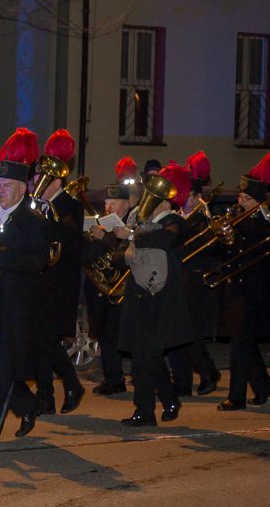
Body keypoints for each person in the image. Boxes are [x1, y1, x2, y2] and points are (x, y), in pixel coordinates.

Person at [0, 129, 52, 447]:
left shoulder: (35, 222)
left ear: (22, 188)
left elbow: (36, 261)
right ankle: (29, 404)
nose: (0, 190)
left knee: (3, 368)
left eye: (6, 186)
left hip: (17, 305)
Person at [115, 165, 193, 426]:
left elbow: (165, 240)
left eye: (152, 199)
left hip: (162, 298)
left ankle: (145, 411)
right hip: (138, 295)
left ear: (164, 204)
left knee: (146, 357)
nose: (145, 203)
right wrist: (121, 247)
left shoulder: (176, 223)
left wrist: (132, 235)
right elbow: (119, 256)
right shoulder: (138, 224)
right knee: (146, 356)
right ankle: (168, 400)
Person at [214, 154, 270, 411]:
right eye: (239, 197)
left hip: (255, 290)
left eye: (245, 198)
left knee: (240, 343)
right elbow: (226, 251)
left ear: (257, 201)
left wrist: (239, 224)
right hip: (236, 288)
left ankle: (236, 397)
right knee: (244, 341)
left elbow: (262, 247)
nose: (239, 202)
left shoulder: (267, 222)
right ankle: (263, 386)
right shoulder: (239, 219)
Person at [31, 130, 85, 416]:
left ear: (57, 182)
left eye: (43, 180)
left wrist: (40, 219)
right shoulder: (39, 206)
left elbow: (67, 235)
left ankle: (72, 383)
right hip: (41, 280)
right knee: (40, 340)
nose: (37, 184)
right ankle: (46, 398)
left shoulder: (71, 205)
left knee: (46, 339)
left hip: (61, 281)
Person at [83, 160, 139, 395]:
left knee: (117, 336)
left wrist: (105, 239)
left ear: (125, 205)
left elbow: (124, 254)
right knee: (105, 336)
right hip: (100, 288)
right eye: (107, 203)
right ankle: (113, 379)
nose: (108, 207)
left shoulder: (130, 225)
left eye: (113, 203)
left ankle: (126, 378)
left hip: (121, 289)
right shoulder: (102, 223)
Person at [169, 152, 221, 396]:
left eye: (187, 196)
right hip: (178, 279)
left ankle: (208, 371)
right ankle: (181, 381)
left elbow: (212, 251)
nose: (182, 200)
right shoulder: (178, 217)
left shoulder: (205, 221)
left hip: (195, 281)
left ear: (198, 197)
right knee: (176, 332)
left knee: (189, 333)